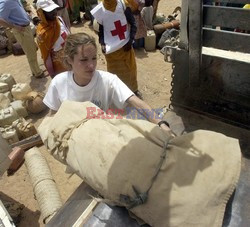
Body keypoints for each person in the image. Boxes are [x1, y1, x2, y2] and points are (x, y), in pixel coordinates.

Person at [43, 32, 173, 134]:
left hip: (102, 137)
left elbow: (137, 102)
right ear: (69, 60)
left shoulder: (108, 80)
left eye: (94, 58)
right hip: (74, 144)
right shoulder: (58, 83)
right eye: (83, 60)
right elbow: (53, 115)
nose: (91, 65)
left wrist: (161, 123)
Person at [91, 0, 143, 99]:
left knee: (130, 70)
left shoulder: (123, 4)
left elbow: (133, 24)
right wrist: (102, 43)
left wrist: (130, 40)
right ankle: (117, 94)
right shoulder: (100, 10)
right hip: (112, 52)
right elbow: (101, 30)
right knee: (114, 74)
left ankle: (133, 91)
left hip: (125, 47)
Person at [0, 0, 44, 78]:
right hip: (21, 30)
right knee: (30, 52)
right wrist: (14, 26)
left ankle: (35, 70)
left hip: (26, 27)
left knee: (32, 49)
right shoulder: (6, 2)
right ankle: (37, 73)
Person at [36, 0, 70, 77]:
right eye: (50, 11)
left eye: (54, 9)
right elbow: (46, 56)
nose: (54, 12)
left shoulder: (59, 19)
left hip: (71, 56)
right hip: (59, 64)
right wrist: (52, 75)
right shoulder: (42, 33)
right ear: (42, 13)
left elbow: (68, 34)